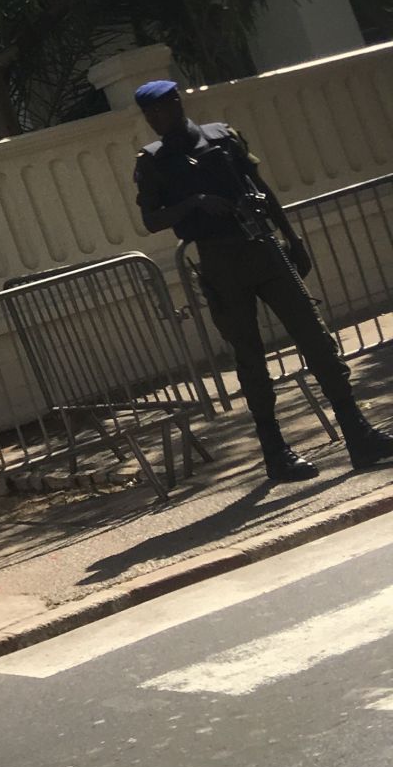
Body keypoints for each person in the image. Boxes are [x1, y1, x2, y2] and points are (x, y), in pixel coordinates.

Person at [131, 79, 393, 482]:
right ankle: (275, 452)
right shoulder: (151, 162)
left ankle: (358, 433)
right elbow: (151, 219)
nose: (155, 119)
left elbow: (262, 189)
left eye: (161, 109)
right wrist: (194, 204)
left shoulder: (223, 136)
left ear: (177, 103)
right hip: (219, 261)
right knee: (250, 359)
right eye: (149, 114)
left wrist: (291, 236)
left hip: (262, 247)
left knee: (316, 338)